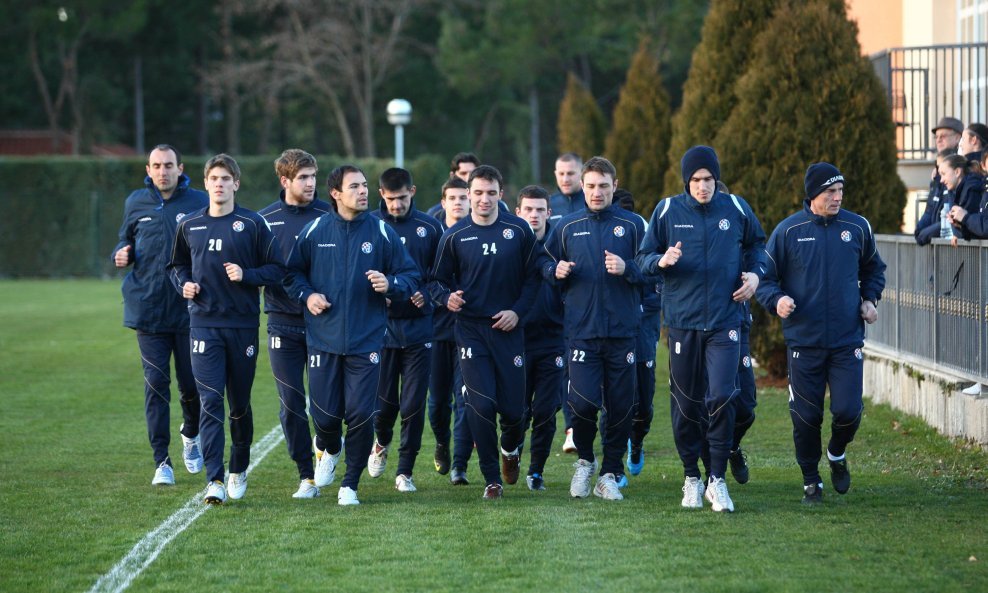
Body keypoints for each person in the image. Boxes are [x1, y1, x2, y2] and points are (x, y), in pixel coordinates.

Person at [636, 146, 766, 513]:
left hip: (726, 321)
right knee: (686, 404)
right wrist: (661, 260)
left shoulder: (736, 208)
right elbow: (642, 258)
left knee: (723, 396)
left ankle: (717, 480)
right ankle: (691, 477)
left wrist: (756, 275)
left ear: (716, 180)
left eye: (709, 179)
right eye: (696, 180)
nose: (703, 186)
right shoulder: (666, 210)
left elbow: (760, 246)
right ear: (686, 182)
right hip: (682, 322)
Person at [284, 164, 420, 506]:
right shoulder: (316, 230)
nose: (363, 192)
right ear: (336, 193)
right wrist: (308, 295)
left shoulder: (381, 231)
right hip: (323, 339)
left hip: (367, 340)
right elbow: (292, 275)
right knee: (326, 416)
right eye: (355, 186)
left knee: (360, 414)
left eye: (364, 186)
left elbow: (410, 274)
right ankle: (330, 447)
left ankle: (350, 484)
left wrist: (392, 285)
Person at [756, 162, 886, 504]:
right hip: (804, 341)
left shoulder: (857, 227)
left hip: (846, 340)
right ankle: (811, 480)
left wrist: (870, 299)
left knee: (849, 411)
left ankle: (837, 454)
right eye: (830, 192)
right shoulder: (788, 231)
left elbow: (874, 269)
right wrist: (777, 299)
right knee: (806, 416)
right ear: (812, 194)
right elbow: (763, 278)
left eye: (840, 191)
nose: (837, 197)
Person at [168, 154, 284, 505]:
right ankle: (214, 479)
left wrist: (247, 275)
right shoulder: (189, 224)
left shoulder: (252, 224)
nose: (219, 183)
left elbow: (277, 269)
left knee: (238, 404)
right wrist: (184, 285)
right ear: (205, 184)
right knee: (210, 402)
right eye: (213, 178)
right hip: (203, 326)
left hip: (242, 326)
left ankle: (239, 466)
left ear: (236, 183)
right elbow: (176, 265)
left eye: (225, 178)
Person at [431, 164, 541, 499]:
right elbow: (436, 281)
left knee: (513, 411)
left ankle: (511, 449)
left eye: (490, 193)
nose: (483, 199)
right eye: (477, 193)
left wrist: (517, 312)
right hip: (471, 330)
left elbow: (535, 278)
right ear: (468, 195)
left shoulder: (519, 230)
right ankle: (491, 478)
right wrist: (446, 297)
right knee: (479, 404)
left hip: (508, 330)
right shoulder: (454, 236)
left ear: (500, 194)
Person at [544, 156, 646, 501]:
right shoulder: (567, 226)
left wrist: (628, 268)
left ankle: (609, 474)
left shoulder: (633, 225)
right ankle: (586, 461)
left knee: (621, 407)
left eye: (604, 186)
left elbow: (654, 268)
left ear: (614, 187)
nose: (597, 192)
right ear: (582, 187)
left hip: (622, 331)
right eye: (591, 186)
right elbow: (544, 261)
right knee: (583, 403)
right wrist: (554, 271)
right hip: (581, 331)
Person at [112, 144, 208, 487]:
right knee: (156, 387)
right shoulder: (136, 202)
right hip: (147, 312)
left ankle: (191, 433)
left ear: (180, 168)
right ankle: (162, 462)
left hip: (189, 312)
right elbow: (124, 241)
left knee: (191, 387)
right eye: (157, 165)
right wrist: (120, 254)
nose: (163, 171)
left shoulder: (199, 202)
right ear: (149, 169)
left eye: (169, 165)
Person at [258, 149, 331, 498]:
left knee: (325, 403)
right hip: (281, 323)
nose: (310, 183)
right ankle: (306, 475)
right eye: (303, 177)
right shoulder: (264, 220)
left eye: (313, 176)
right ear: (285, 180)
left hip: (324, 323)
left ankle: (328, 441)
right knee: (290, 402)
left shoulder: (329, 215)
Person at [367, 168, 443, 493]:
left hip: (419, 329)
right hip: (380, 330)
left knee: (413, 403)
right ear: (381, 194)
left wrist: (426, 294)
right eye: (390, 198)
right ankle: (381, 441)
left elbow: (443, 275)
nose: (396, 204)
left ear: (412, 191)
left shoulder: (430, 227)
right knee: (384, 405)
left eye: (402, 198)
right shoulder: (370, 225)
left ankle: (405, 471)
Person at [515, 185, 565, 491]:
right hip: (516, 340)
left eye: (540, 210)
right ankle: (512, 454)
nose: (534, 215)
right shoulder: (510, 245)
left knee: (546, 410)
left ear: (549, 212)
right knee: (516, 411)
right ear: (518, 212)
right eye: (528, 210)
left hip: (553, 340)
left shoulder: (562, 244)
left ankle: (536, 471)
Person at [427, 177, 476, 484]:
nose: (458, 203)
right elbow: (425, 278)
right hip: (435, 331)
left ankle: (460, 464)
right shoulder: (433, 237)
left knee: (465, 398)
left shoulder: (480, 235)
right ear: (443, 203)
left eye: (463, 197)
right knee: (436, 403)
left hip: (469, 332)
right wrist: (441, 297)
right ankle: (442, 443)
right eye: (452, 198)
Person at [611, 188, 661, 488]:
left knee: (642, 402)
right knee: (614, 398)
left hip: (643, 322)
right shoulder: (599, 233)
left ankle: (637, 439)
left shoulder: (645, 231)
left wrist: (629, 270)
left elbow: (657, 274)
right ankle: (613, 466)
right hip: (612, 324)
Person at [915, 149, 959, 245]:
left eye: (941, 167)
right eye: (936, 166)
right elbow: (929, 211)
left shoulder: (952, 186)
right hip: (938, 247)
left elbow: (950, 219)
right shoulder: (936, 184)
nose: (938, 170)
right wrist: (920, 231)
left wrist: (925, 234)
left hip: (948, 246)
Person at [427, 153, 481, 218]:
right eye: (463, 173)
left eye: (472, 173)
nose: (468, 178)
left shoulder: (491, 208)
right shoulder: (434, 214)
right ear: (452, 175)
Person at [548, 152, 586, 225]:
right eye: (561, 174)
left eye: (570, 173)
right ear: (555, 174)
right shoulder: (547, 205)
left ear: (582, 173)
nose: (565, 179)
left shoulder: (593, 203)